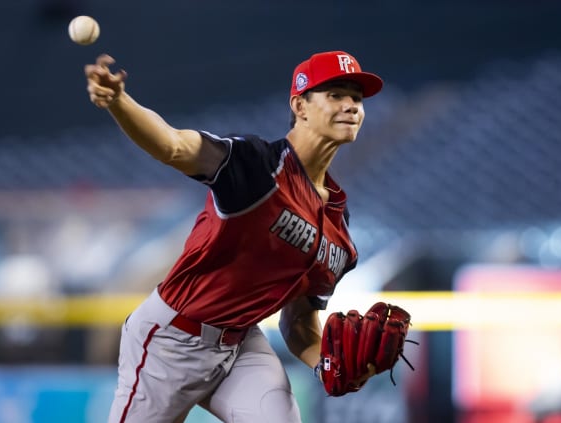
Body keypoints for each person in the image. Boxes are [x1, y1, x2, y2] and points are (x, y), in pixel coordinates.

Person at [84, 50, 384, 423]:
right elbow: (173, 145)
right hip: (172, 340)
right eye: (336, 94)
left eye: (356, 98)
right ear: (301, 105)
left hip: (241, 345)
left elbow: (299, 320)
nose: (351, 106)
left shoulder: (339, 227)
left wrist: (327, 363)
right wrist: (119, 101)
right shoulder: (256, 165)